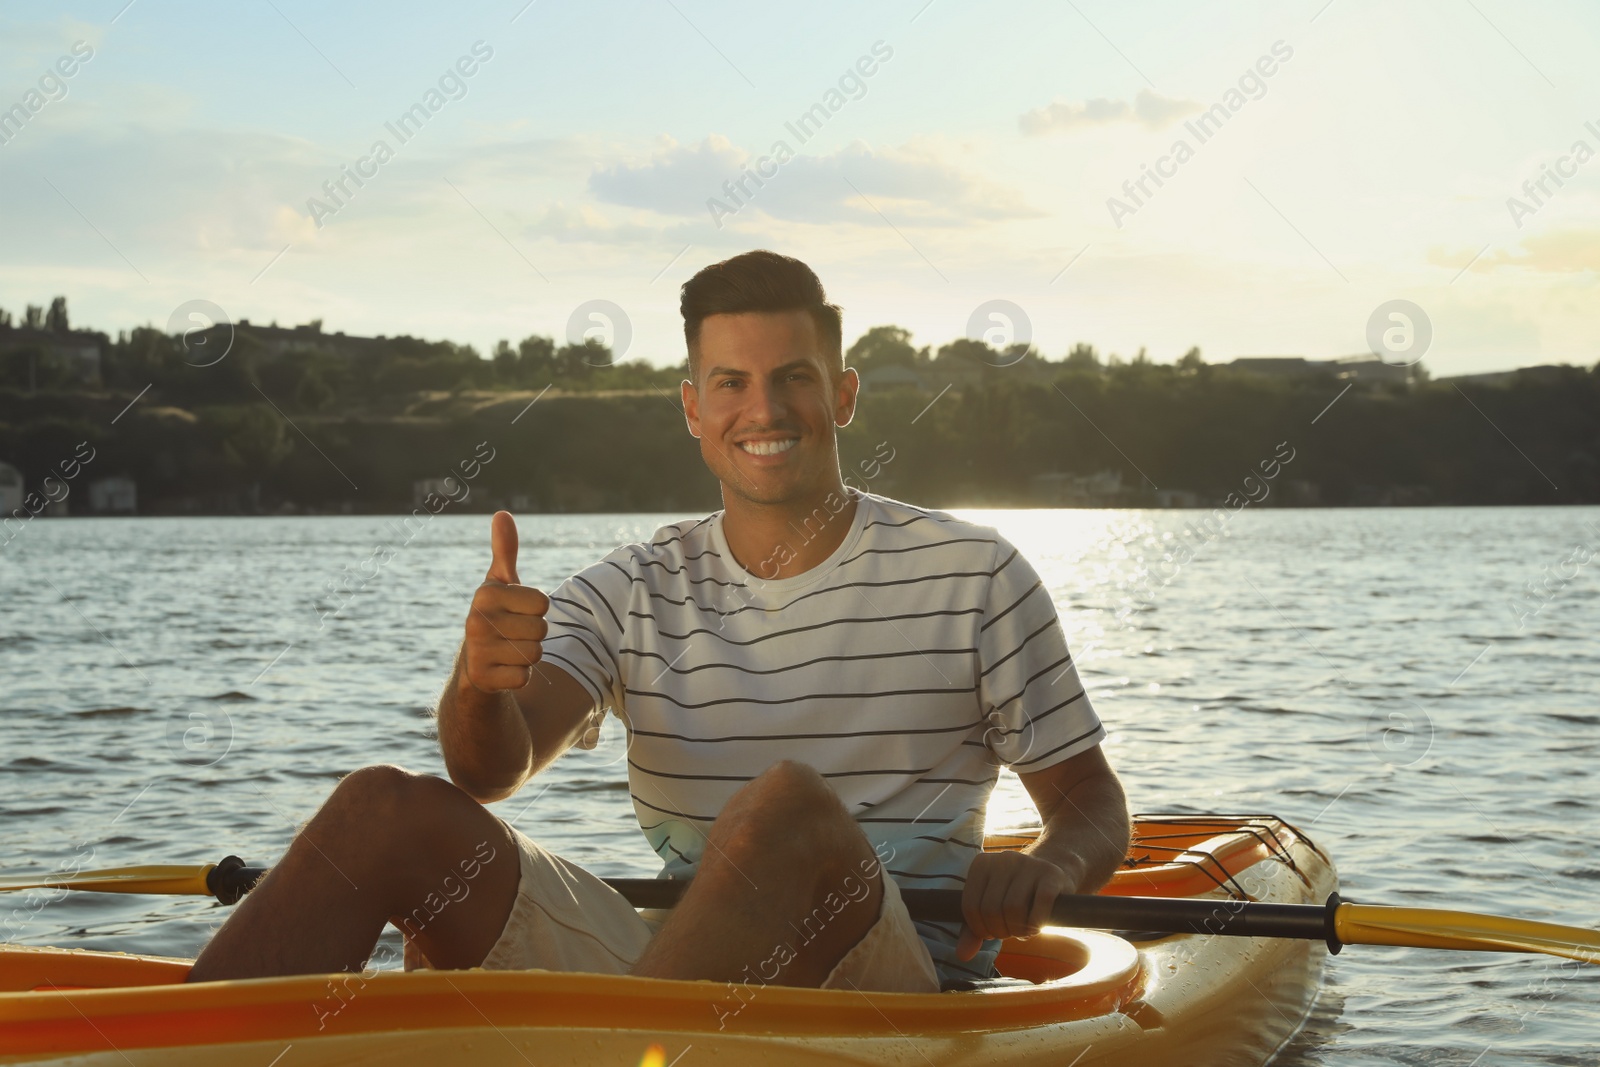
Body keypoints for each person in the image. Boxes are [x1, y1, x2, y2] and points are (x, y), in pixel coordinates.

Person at [187, 250, 1130, 997]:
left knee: (784, 809)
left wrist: (1048, 861)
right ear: (693, 408)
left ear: (842, 395)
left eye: (794, 377)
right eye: (730, 383)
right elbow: (489, 770)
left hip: (892, 988)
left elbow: (1092, 802)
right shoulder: (634, 585)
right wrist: (479, 684)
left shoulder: (975, 573)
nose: (764, 410)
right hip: (677, 977)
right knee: (381, 806)